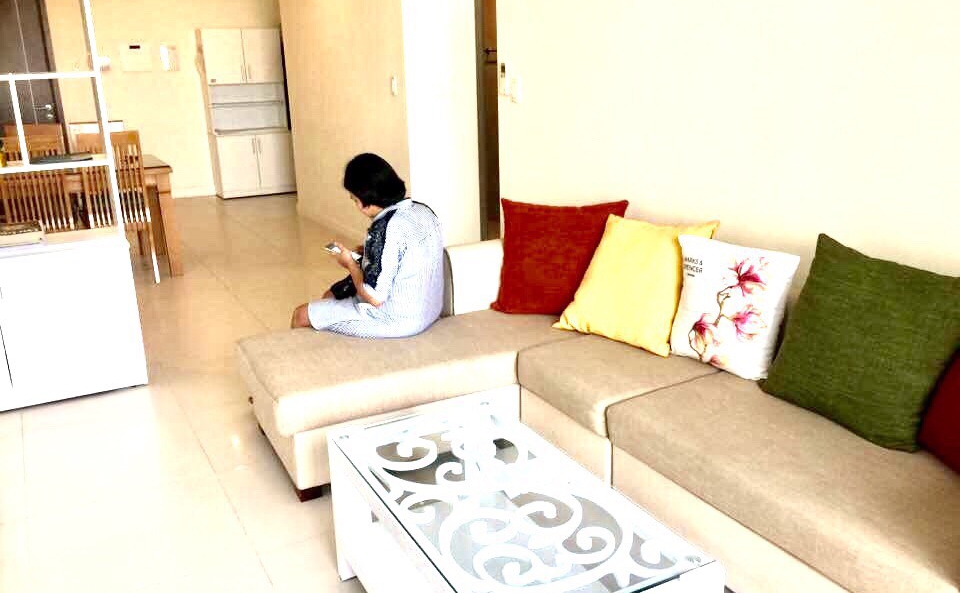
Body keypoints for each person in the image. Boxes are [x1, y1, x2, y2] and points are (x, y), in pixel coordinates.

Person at [290, 153, 444, 338]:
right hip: (429, 309)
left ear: (365, 201)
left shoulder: (385, 228)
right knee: (330, 295)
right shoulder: (423, 210)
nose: (356, 206)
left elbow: (375, 298)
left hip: (396, 320)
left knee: (301, 315)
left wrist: (350, 263)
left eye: (355, 200)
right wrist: (368, 253)